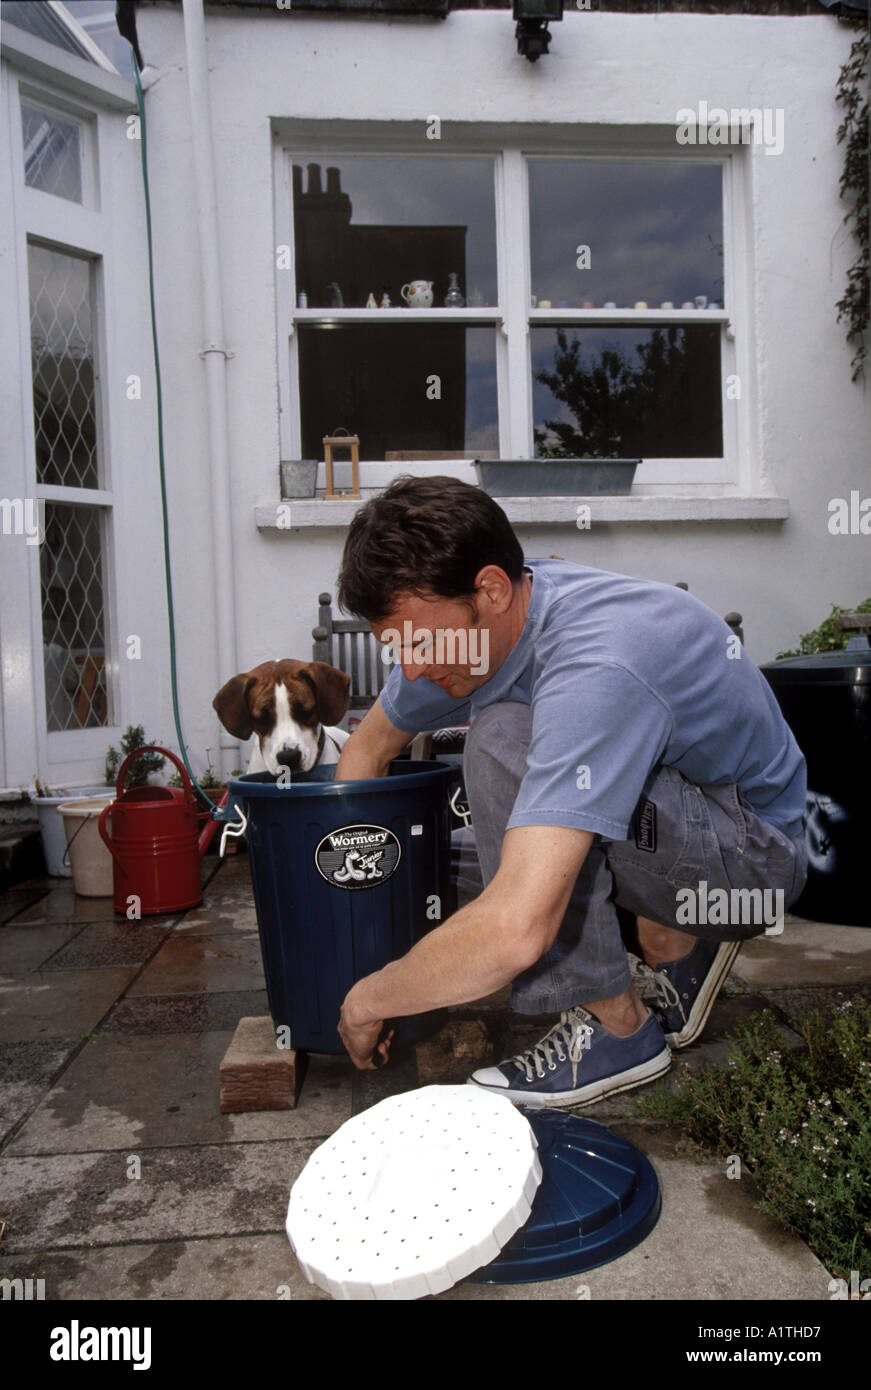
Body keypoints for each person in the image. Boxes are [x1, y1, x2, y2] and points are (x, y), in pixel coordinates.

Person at [334, 476, 807, 1106]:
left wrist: (369, 997)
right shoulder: (463, 634)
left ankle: (618, 1028)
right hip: (673, 820)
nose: (411, 668)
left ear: (493, 589)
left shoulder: (598, 661)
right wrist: (344, 915)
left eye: (419, 643)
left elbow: (517, 931)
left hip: (751, 858)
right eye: (396, 646)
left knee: (501, 743)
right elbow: (365, 752)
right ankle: (671, 939)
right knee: (428, 861)